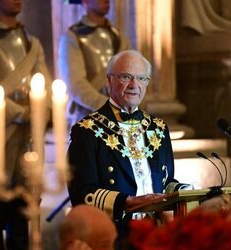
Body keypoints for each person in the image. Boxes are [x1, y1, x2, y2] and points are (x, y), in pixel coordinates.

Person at [67, 49, 188, 246]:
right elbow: (81, 194)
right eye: (126, 77)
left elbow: (166, 182)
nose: (134, 85)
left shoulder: (158, 128)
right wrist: (128, 202)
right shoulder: (88, 131)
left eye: (141, 78)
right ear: (109, 81)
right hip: (114, 236)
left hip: (156, 234)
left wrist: (185, 191)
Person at [0, 0, 51, 249]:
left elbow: (45, 86)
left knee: (25, 206)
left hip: (29, 135)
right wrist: (21, 113)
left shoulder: (32, 43)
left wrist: (42, 110)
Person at [58, 0, 130, 129]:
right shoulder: (73, 37)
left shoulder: (118, 36)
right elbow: (75, 84)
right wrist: (108, 106)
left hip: (120, 119)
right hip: (87, 118)